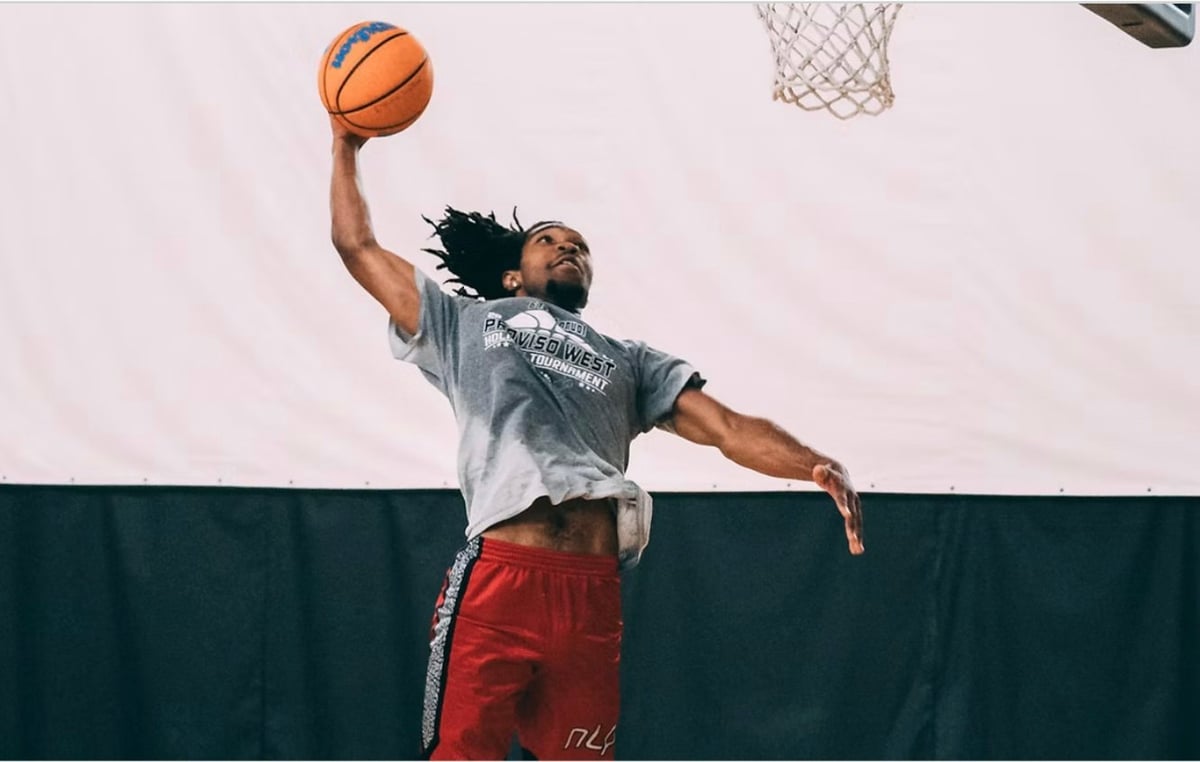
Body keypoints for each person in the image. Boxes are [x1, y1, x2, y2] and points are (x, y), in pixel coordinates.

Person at [327, 117, 864, 761]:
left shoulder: (628, 359)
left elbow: (725, 428)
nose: (568, 248)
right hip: (502, 579)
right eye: (548, 240)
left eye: (579, 244)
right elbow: (356, 246)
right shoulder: (463, 322)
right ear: (510, 277)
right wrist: (346, 142)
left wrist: (813, 464)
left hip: (590, 592)